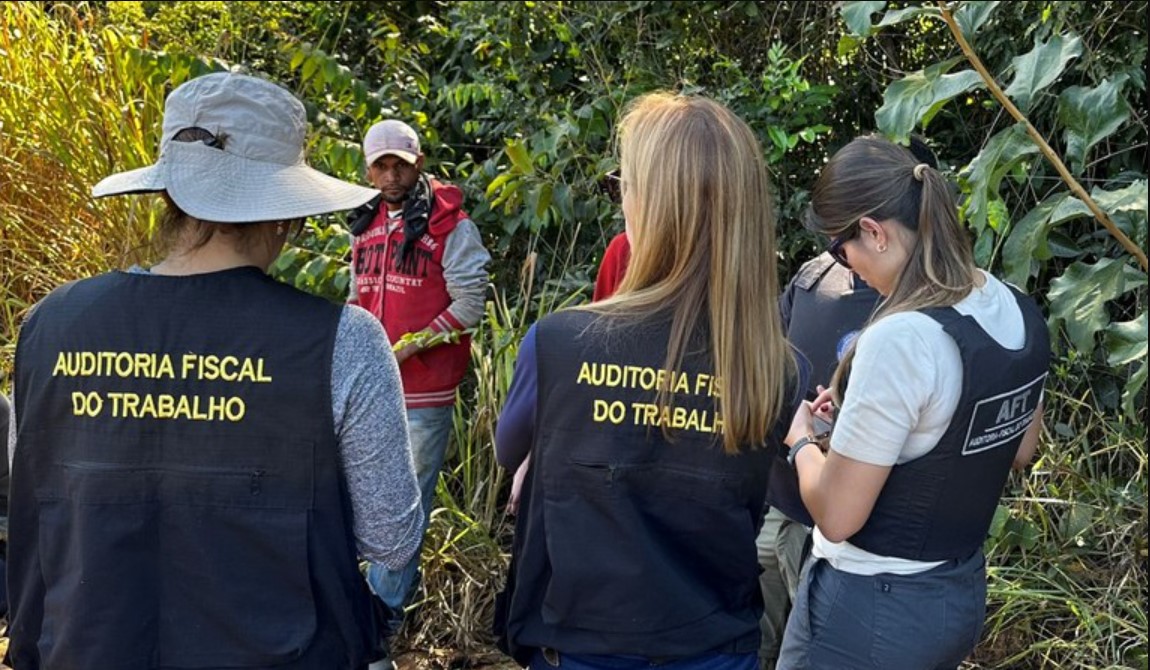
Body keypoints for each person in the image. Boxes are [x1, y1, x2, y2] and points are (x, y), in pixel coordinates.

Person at [5, 72, 423, 669]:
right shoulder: (343, 340)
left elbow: (32, 504)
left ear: (168, 199)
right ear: (284, 214)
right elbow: (391, 537)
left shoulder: (50, 326)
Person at [494, 92, 803, 670]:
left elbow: (509, 446)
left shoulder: (558, 342)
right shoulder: (776, 366)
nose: (621, 203)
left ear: (651, 206)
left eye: (625, 186)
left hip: (583, 641)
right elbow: (778, 491)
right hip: (716, 642)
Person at [776, 135, 1050, 669]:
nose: (846, 268)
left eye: (840, 249)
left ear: (874, 233)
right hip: (957, 592)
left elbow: (836, 515)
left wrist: (801, 437)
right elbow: (1018, 448)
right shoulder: (1015, 307)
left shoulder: (903, 338)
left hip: (871, 610)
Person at [757, 136, 936, 669]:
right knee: (759, 635)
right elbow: (773, 362)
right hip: (781, 496)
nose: (842, 258)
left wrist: (812, 436)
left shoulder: (924, 312)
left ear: (874, 231)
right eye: (835, 247)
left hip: (848, 529)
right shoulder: (813, 280)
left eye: (843, 243)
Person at [346, 119, 491, 637]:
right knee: (359, 498)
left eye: (399, 165)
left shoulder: (450, 226)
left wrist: (415, 343)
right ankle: (357, 606)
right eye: (380, 165)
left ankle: (380, 620)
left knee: (407, 505)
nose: (389, 175)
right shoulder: (365, 226)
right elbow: (356, 300)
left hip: (424, 392)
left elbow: (471, 302)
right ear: (368, 169)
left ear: (418, 164)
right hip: (368, 392)